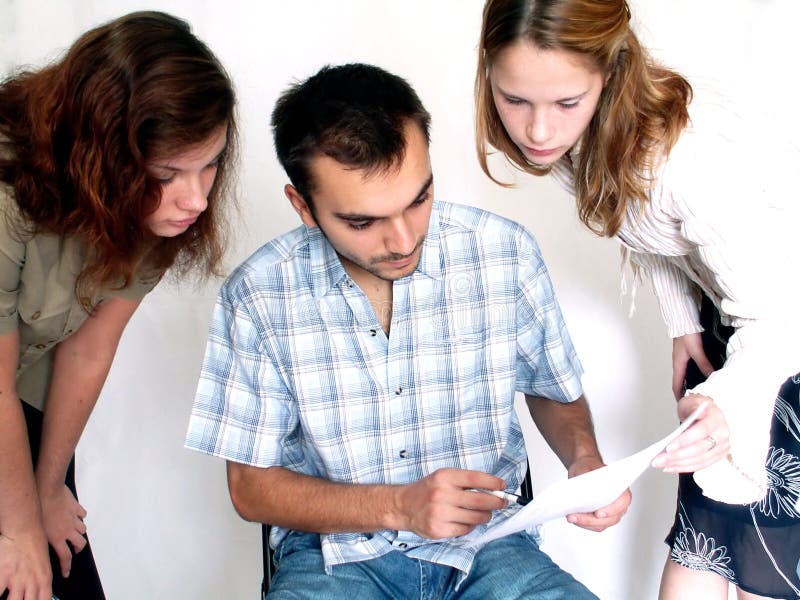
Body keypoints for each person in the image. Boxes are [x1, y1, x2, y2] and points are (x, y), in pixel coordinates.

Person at [185, 62, 629, 599]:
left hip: (492, 545)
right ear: (303, 206)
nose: (402, 239)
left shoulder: (503, 253)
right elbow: (251, 489)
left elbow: (552, 389)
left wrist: (584, 459)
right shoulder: (258, 295)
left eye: (418, 199)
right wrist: (400, 505)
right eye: (362, 221)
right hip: (334, 559)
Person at [475, 1, 800, 598]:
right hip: (742, 326)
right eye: (514, 99)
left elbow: (783, 307)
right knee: (700, 555)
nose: (538, 130)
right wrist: (683, 322)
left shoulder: (686, 159)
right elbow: (647, 227)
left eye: (565, 103)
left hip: (780, 332)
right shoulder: (586, 140)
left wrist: (732, 396)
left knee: (764, 575)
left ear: (611, 74)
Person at [0, 11, 236, 600]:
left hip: (23, 401)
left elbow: (87, 350)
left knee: (67, 571)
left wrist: (50, 488)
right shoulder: (8, 200)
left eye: (210, 164)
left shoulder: (154, 215)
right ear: (101, 154)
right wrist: (18, 528)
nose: (197, 199)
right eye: (169, 173)